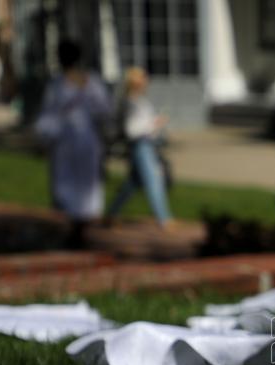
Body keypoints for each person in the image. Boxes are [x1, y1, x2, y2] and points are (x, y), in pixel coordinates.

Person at [34, 40, 111, 243]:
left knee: (75, 183)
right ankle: (78, 227)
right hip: (82, 140)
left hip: (71, 140)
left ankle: (78, 229)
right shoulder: (89, 81)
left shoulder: (59, 85)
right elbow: (103, 110)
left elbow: (48, 114)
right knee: (77, 184)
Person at [105, 67, 175, 228]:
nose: (146, 81)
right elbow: (132, 130)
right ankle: (164, 219)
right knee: (153, 181)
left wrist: (155, 126)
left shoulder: (139, 101)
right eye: (143, 78)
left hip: (147, 143)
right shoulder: (130, 103)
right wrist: (154, 124)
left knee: (132, 184)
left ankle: (112, 213)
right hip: (140, 145)